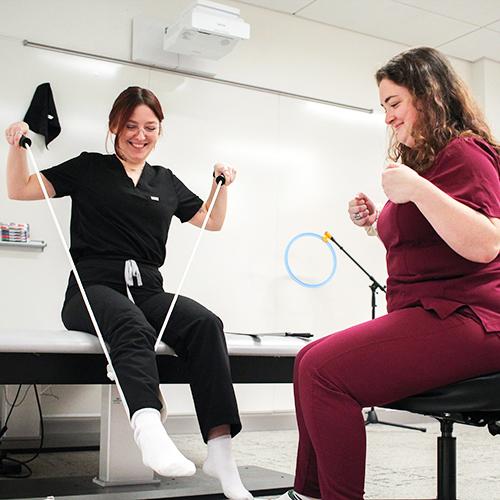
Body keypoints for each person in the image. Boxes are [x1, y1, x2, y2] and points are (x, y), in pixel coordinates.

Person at [5, 86, 253, 500]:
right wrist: (16, 146)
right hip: (93, 287)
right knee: (130, 324)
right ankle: (149, 429)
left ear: (160, 131)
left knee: (207, 324)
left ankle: (220, 450)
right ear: (114, 127)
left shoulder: (166, 181)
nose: (140, 135)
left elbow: (211, 221)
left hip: (148, 288)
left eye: (150, 127)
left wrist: (222, 183)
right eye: (131, 126)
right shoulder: (89, 168)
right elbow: (21, 189)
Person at [279, 47, 500, 500]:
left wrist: (417, 189)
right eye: (383, 106)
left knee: (324, 371)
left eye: (394, 103)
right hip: (433, 312)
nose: (387, 118)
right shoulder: (427, 161)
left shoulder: (466, 153)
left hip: (474, 318)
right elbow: (429, 244)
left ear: (428, 96)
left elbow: (485, 243)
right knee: (306, 359)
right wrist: (376, 221)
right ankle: (309, 493)